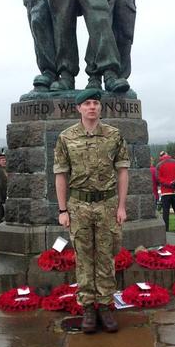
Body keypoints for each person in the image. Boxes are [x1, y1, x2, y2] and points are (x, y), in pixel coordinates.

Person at [54, 88, 130, 333]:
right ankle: (88, 306)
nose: (92, 107)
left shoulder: (114, 135)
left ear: (100, 107)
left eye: (96, 103)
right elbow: (60, 175)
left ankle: (106, 306)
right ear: (79, 108)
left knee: (106, 256)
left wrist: (121, 206)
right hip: (79, 206)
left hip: (107, 204)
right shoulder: (66, 137)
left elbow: (122, 172)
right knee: (84, 258)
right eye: (87, 103)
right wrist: (62, 209)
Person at [156, 151, 175, 234]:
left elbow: (158, 178)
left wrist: (168, 183)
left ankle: (166, 230)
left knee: (166, 212)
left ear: (161, 156)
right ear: (168, 155)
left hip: (165, 192)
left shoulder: (159, 165)